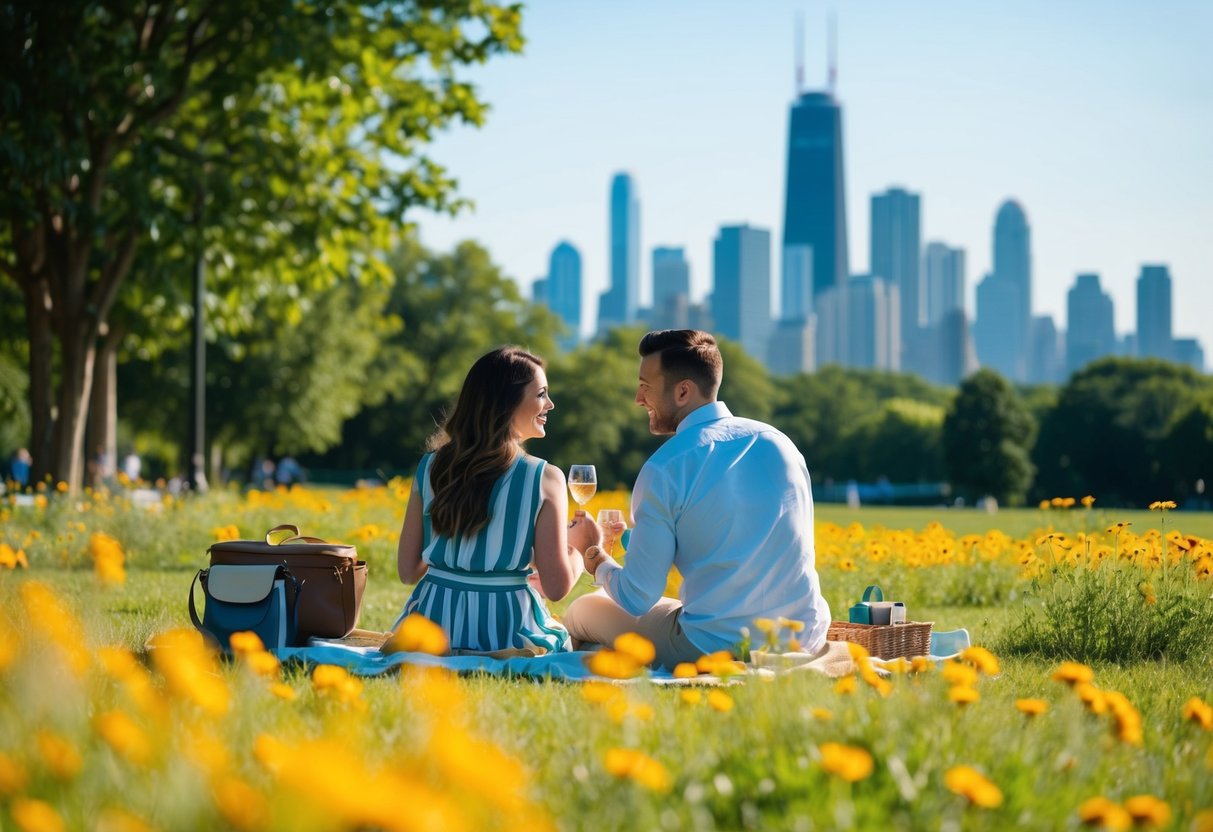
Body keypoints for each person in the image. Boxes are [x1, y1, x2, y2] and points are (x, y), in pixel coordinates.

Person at [564, 329, 832, 669]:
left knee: (583, 610)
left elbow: (636, 597)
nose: (637, 398)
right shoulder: (781, 444)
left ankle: (614, 662)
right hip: (801, 638)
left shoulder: (665, 466)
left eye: (645, 386)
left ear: (682, 391)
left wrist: (594, 555)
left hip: (712, 647)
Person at [391, 346, 586, 654]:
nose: (550, 404)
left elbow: (407, 571)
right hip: (507, 631)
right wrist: (580, 547)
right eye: (540, 394)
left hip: (432, 629)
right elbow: (557, 588)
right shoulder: (545, 477)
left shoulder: (430, 466)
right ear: (505, 403)